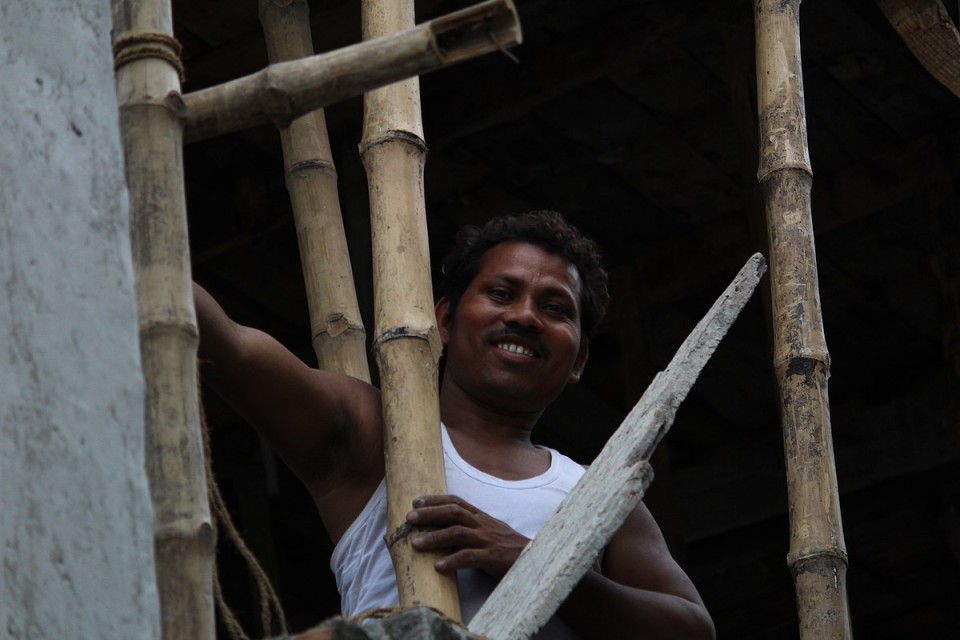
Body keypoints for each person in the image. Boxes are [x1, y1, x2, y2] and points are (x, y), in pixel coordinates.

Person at [195, 210, 715, 639]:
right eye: (502, 294)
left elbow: (693, 630)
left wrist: (530, 563)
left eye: (555, 307)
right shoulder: (375, 433)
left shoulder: (597, 495)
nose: (526, 317)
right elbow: (233, 348)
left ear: (579, 359)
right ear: (444, 321)